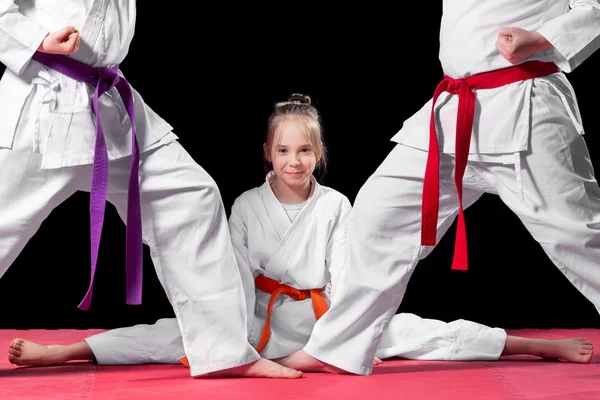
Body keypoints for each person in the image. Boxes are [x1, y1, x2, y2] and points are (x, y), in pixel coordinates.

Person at [8, 94, 594, 369]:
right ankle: (65, 352)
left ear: (319, 154)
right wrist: (234, 326)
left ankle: (533, 345)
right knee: (176, 333)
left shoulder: (339, 206)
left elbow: (352, 276)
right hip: (249, 319)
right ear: (267, 152)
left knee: (412, 331)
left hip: (321, 321)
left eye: (305, 149)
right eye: (284, 149)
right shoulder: (242, 205)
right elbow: (223, 273)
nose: (294, 160)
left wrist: (337, 328)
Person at [275, 0, 600, 375]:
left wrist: (541, 37)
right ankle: (337, 347)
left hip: (523, 104)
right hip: (452, 109)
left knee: (580, 234)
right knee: (380, 215)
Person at [0, 1, 301, 379]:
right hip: (41, 108)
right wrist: (37, 38)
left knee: (192, 198)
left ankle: (224, 353)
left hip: (111, 105)